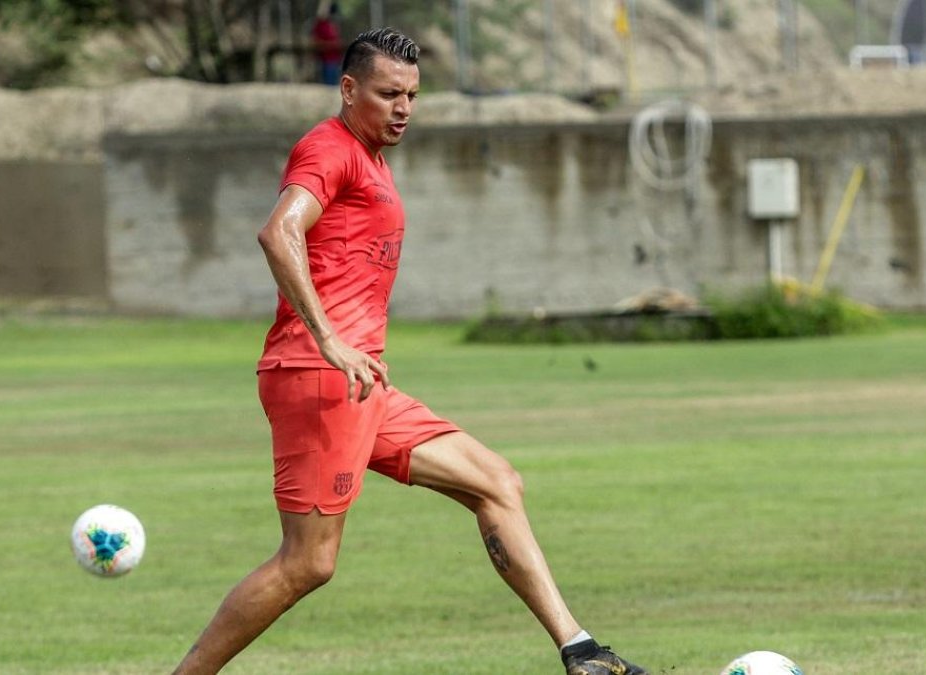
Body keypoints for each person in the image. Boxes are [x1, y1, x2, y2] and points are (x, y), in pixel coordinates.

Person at [171, 27, 646, 675]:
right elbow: (278, 232)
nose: (403, 108)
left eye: (413, 95)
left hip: (362, 382)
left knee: (495, 481)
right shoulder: (328, 148)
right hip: (319, 375)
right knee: (308, 561)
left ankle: (579, 649)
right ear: (348, 89)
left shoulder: (369, 157)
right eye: (388, 93)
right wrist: (329, 337)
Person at [311, 1, 343, 85]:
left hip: (334, 59)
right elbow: (316, 41)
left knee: (334, 84)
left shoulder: (332, 25)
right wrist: (329, 44)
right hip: (325, 60)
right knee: (328, 85)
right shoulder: (320, 24)